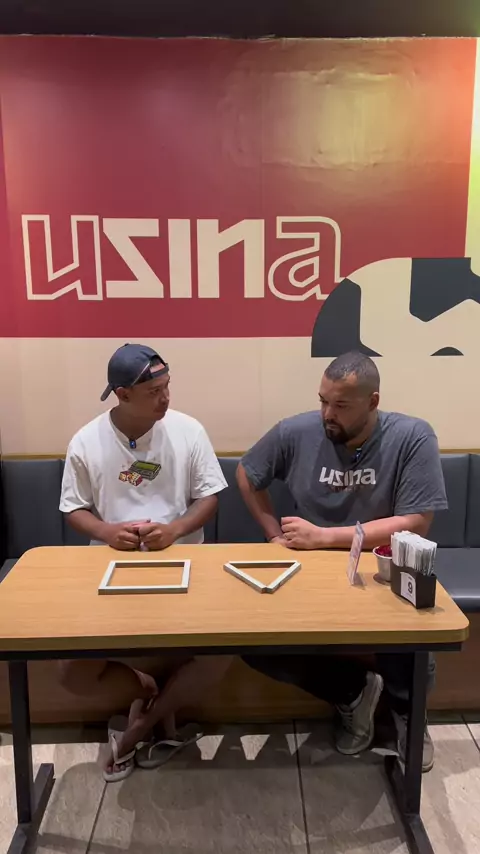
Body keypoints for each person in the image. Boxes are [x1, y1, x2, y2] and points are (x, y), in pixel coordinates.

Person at [236, 351, 447, 772]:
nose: (327, 414)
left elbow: (416, 521)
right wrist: (273, 535)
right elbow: (247, 472)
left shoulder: (412, 436)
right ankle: (353, 692)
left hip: (379, 566)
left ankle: (407, 715)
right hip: (307, 568)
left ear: (373, 402)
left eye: (341, 405)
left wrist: (325, 537)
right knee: (253, 642)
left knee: (411, 633)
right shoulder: (296, 431)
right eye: (323, 401)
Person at [59, 343, 231, 781]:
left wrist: (175, 529)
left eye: (167, 387)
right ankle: (151, 697)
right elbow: (74, 508)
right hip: (110, 570)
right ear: (122, 395)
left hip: (185, 563)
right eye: (154, 391)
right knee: (72, 673)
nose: (165, 398)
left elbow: (209, 496)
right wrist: (106, 532)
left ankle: (140, 726)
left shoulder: (188, 431)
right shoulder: (86, 441)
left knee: (224, 653)